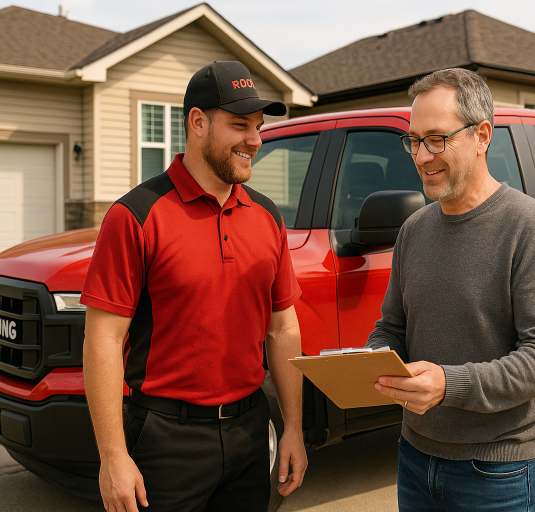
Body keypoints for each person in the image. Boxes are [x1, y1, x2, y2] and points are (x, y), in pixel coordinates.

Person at [81, 61, 307, 512]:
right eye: (240, 125)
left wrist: (294, 430)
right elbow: (103, 339)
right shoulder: (136, 215)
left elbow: (283, 330)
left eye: (259, 127)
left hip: (249, 429)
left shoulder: (267, 217)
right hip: (166, 440)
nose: (255, 140)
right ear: (197, 122)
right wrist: (113, 456)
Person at [367, 68, 535, 511]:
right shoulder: (413, 230)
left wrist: (448, 384)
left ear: (482, 136)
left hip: (497, 472)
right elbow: (392, 327)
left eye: (437, 139)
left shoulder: (529, 229)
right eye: (414, 140)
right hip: (414, 458)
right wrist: (371, 359)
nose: (422, 156)